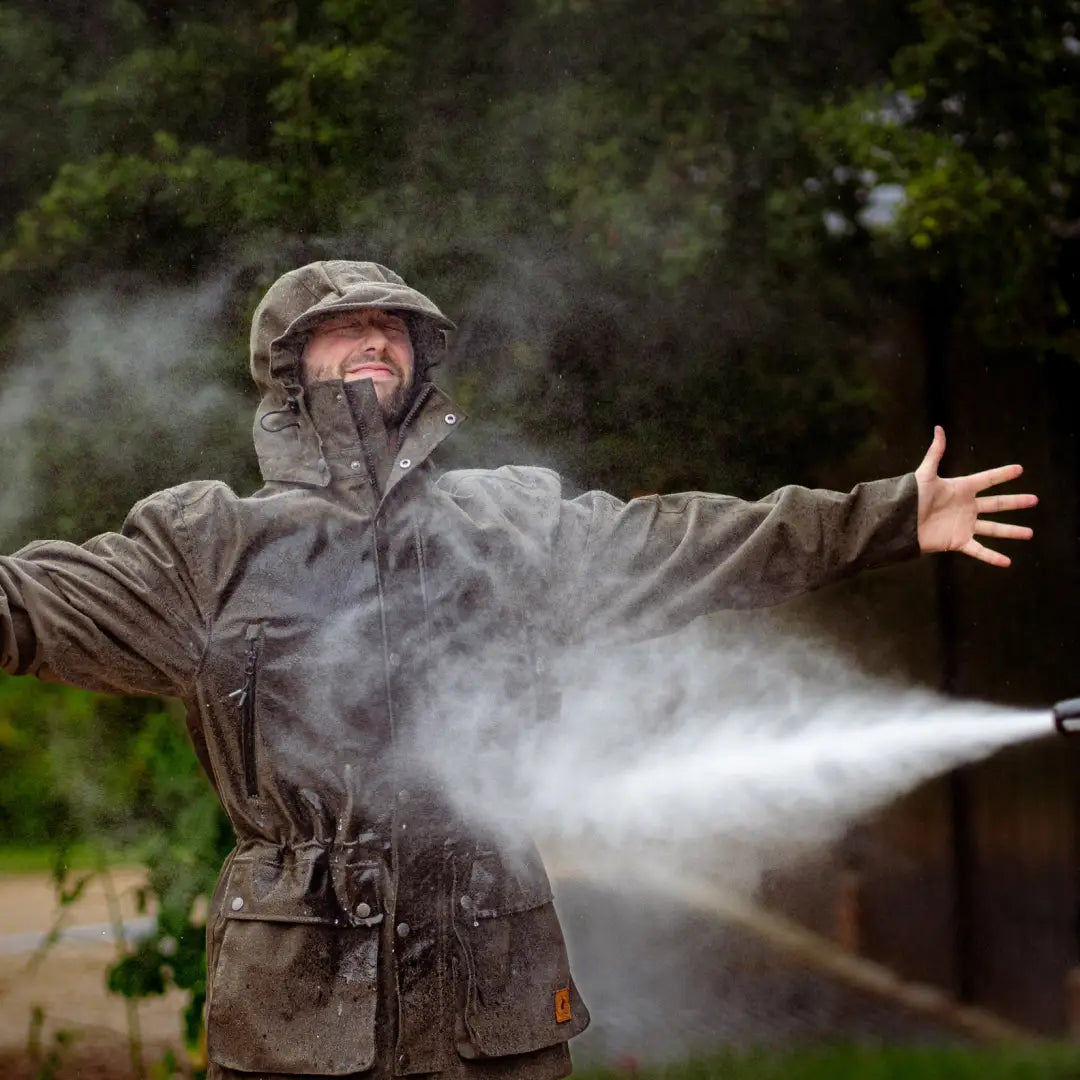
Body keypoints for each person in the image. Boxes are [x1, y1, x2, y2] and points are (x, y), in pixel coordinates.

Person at [0, 260, 1036, 1080]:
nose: (375, 339)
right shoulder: (208, 546)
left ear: (421, 365)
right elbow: (34, 603)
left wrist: (888, 515)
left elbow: (689, 543)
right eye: (343, 326)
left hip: (492, 1009)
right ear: (287, 366)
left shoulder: (511, 523)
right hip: (298, 1016)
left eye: (394, 327)